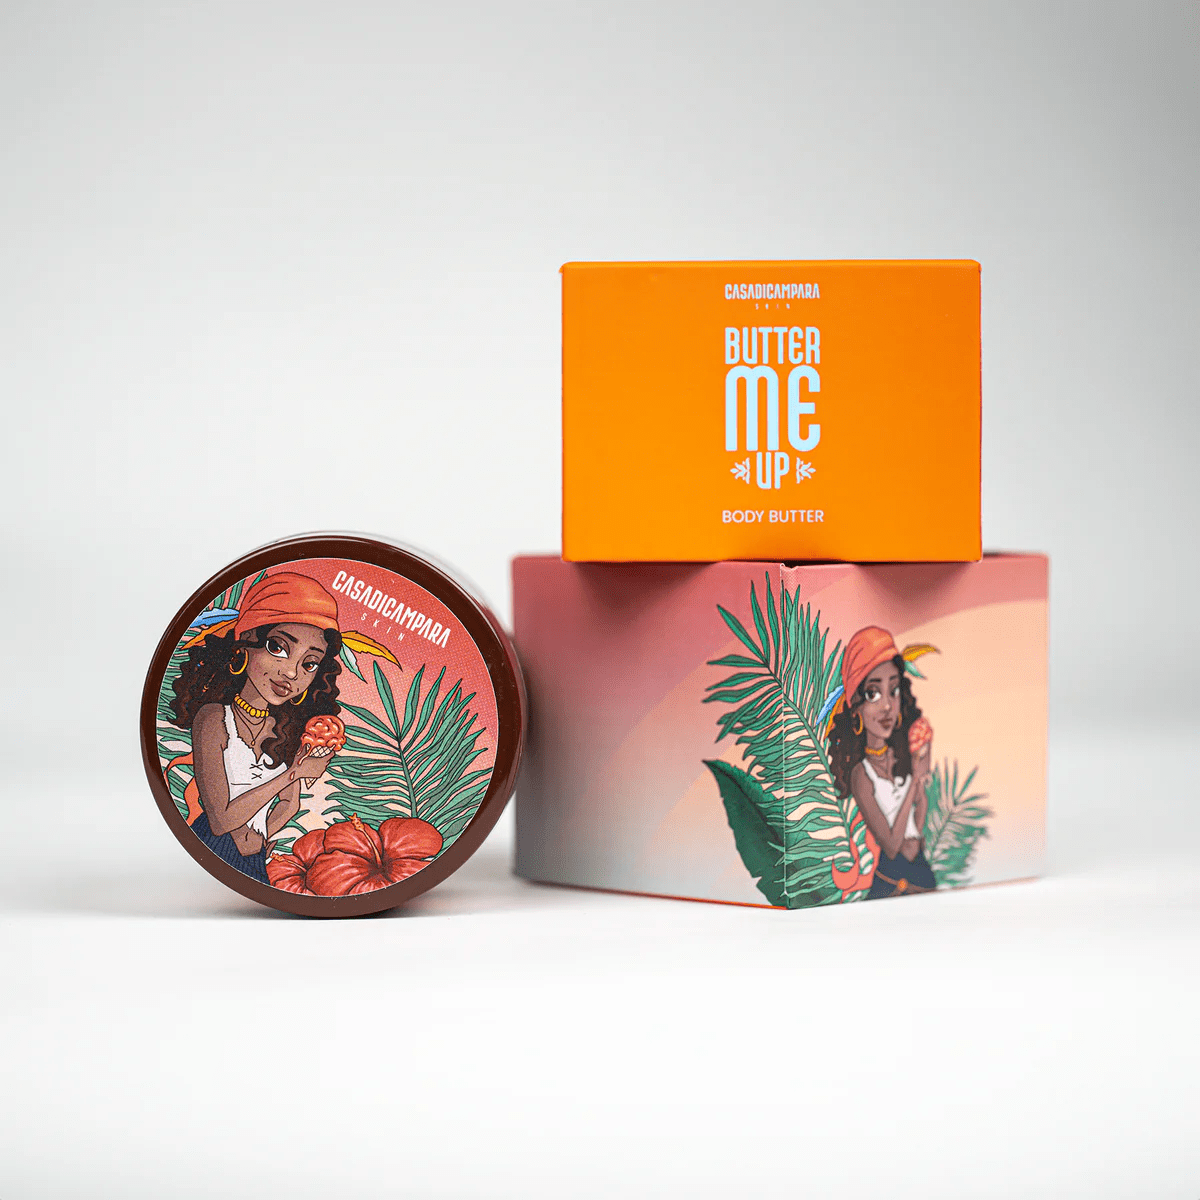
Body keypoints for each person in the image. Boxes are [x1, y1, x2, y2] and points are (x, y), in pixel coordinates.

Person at [167, 572, 343, 883]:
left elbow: (289, 805)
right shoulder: (214, 719)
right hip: (214, 848)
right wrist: (295, 773)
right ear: (245, 645)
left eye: (309, 663)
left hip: (254, 861)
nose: (292, 673)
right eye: (278, 647)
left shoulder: (289, 730)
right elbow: (221, 820)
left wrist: (260, 839)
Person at [826, 626, 937, 899]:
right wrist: (914, 783)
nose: (887, 706)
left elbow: (918, 817)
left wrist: (920, 780)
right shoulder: (861, 775)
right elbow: (890, 845)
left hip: (921, 873)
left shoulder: (902, 756)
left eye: (894, 690)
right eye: (873, 694)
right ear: (855, 705)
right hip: (890, 883)